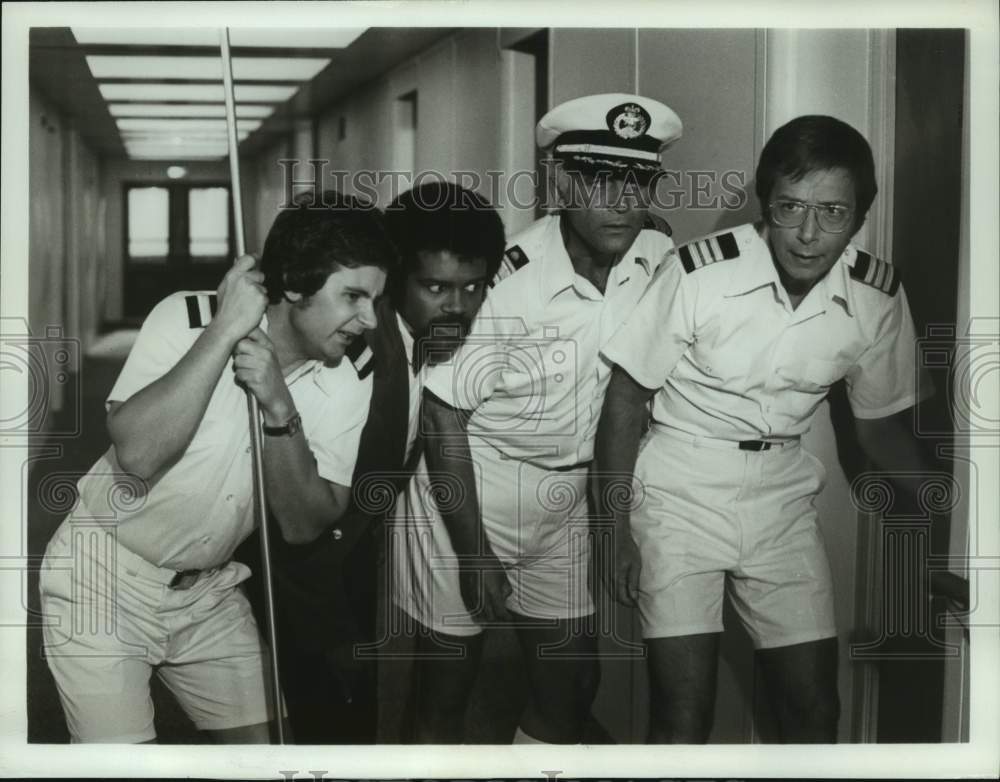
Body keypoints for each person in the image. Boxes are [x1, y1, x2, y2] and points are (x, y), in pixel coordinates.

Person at [595, 115, 933, 743]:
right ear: (765, 204)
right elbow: (625, 398)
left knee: (814, 706)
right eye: (790, 208)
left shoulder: (877, 296)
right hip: (679, 491)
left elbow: (882, 432)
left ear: (860, 216)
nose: (808, 235)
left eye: (832, 212)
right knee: (683, 709)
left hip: (782, 496)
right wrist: (614, 527)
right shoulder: (700, 272)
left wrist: (955, 518)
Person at [38, 191, 397, 743]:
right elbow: (137, 455)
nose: (369, 319)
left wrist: (280, 409)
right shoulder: (185, 317)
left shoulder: (349, 377)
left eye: (375, 299)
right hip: (102, 577)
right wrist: (224, 331)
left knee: (266, 758)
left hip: (211, 593)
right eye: (352, 296)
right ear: (296, 285)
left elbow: (305, 525)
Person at [400, 93, 683, 743]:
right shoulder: (503, 282)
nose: (621, 200)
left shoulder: (656, 259)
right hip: (471, 487)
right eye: (601, 181)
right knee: (447, 689)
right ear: (561, 181)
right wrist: (475, 555)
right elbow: (442, 418)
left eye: (638, 181)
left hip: (568, 498)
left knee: (573, 684)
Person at [241, 180, 504, 743]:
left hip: (349, 579)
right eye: (435, 287)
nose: (457, 305)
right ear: (394, 278)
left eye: (473, 287)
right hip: (306, 592)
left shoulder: (413, 340)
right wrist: (333, 632)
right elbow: (296, 516)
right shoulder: (354, 360)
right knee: (329, 735)